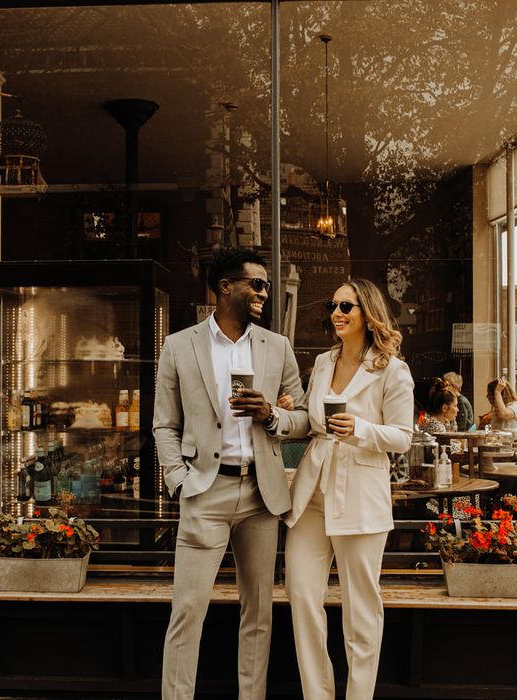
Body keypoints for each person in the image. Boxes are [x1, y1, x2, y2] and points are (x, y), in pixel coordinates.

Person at [154, 247, 307, 700]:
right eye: (256, 284)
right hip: (205, 490)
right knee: (187, 612)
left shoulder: (276, 347)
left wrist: (272, 416)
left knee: (258, 613)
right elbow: (164, 424)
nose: (264, 292)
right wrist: (180, 480)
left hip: (262, 495)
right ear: (226, 287)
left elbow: (303, 418)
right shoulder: (180, 345)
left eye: (266, 285)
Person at [284, 278, 414, 700]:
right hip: (312, 494)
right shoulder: (322, 362)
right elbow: (309, 418)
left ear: (367, 312)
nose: (336, 314)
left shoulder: (392, 368)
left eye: (346, 307)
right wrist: (288, 412)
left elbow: (402, 436)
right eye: (333, 306)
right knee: (302, 597)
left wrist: (359, 428)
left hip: (360, 495)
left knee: (361, 611)